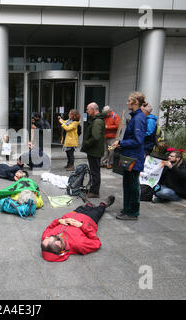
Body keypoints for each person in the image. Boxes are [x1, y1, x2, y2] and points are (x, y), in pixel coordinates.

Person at [41, 195, 115, 262]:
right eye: (48, 238)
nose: (46, 236)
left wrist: (60, 220)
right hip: (89, 220)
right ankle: (103, 205)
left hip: (73, 214)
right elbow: (96, 243)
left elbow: (50, 227)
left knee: (83, 208)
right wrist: (82, 226)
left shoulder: (45, 237)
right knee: (98, 211)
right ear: (58, 243)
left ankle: (88, 205)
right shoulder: (79, 245)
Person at [111, 92, 147, 221]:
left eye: (129, 101)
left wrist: (121, 142)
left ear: (135, 102)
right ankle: (128, 208)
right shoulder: (136, 117)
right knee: (128, 184)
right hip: (130, 156)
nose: (127, 103)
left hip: (133, 158)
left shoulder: (138, 118)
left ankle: (132, 212)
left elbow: (138, 141)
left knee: (132, 185)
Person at [81, 102, 105, 198]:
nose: (87, 111)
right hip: (94, 150)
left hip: (95, 151)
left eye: (88, 109)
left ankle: (95, 192)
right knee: (94, 171)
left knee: (95, 171)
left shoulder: (97, 121)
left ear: (93, 109)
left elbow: (95, 137)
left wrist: (86, 143)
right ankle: (93, 190)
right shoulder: (96, 120)